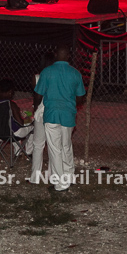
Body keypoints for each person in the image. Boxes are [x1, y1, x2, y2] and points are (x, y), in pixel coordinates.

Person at [33, 45, 86, 192]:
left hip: (51, 114)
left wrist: (36, 108)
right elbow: (80, 97)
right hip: (68, 114)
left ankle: (60, 183)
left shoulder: (47, 72)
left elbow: (38, 94)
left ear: (55, 55)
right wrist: (71, 103)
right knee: (66, 145)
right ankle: (69, 176)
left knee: (55, 149)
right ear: (69, 56)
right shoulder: (75, 73)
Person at [29, 52, 53, 184]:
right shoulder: (56, 76)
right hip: (53, 111)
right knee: (53, 145)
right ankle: (51, 175)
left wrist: (36, 109)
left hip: (41, 112)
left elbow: (37, 96)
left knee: (38, 145)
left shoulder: (37, 77)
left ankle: (35, 177)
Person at [0, 78, 33, 151]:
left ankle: (17, 151)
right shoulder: (12, 104)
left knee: (13, 125)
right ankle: (29, 151)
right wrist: (27, 119)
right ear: (10, 92)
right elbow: (20, 123)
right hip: (12, 133)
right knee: (32, 125)